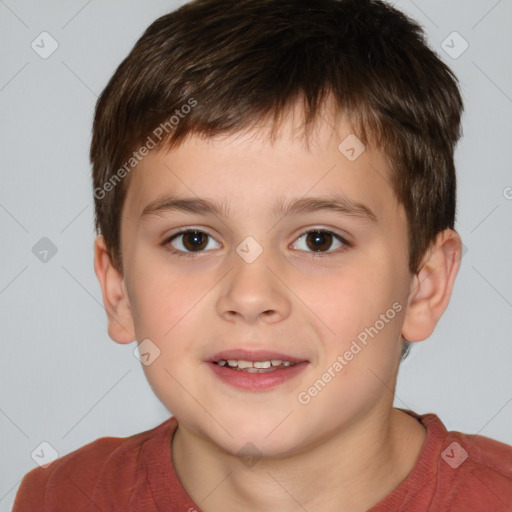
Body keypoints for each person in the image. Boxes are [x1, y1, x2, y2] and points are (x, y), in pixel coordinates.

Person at [13, 0, 512, 510]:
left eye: (319, 240)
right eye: (193, 240)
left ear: (423, 285)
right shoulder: (61, 498)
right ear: (117, 287)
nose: (250, 297)